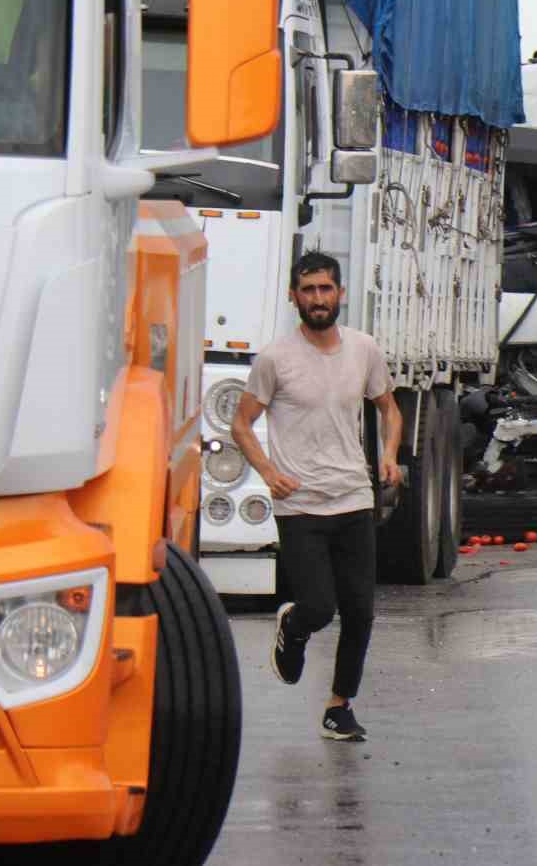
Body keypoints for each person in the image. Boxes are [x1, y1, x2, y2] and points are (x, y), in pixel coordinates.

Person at [232, 252, 402, 743]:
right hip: (300, 502)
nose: (318, 299)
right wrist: (268, 472)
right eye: (308, 290)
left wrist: (389, 453)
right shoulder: (275, 359)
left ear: (340, 294)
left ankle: (339, 707)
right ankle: (296, 624)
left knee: (360, 612)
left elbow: (389, 409)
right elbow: (240, 423)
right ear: (293, 297)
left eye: (326, 289)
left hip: (353, 496)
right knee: (320, 606)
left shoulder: (364, 349)